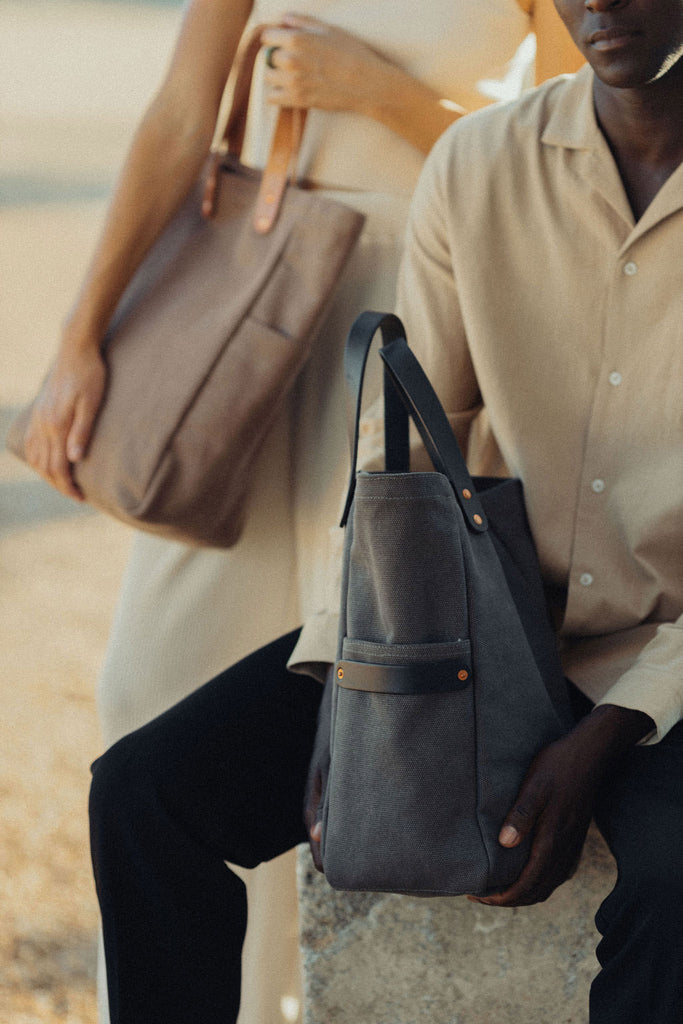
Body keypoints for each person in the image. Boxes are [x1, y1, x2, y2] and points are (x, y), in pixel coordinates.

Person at [89, 0, 683, 1021]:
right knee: (146, 794)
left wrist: (606, 734)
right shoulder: (477, 166)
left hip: (666, 662)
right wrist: (339, 670)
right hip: (484, 634)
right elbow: (393, 459)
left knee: (674, 881)